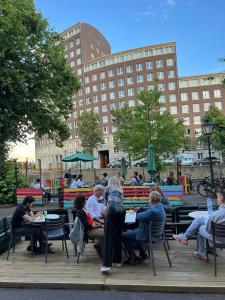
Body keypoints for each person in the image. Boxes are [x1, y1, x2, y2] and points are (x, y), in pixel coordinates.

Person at [173, 192, 225, 261]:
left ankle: (201, 252)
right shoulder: (216, 214)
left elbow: (209, 229)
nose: (217, 199)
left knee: (199, 227)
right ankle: (185, 238)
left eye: (218, 197)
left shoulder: (216, 214)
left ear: (222, 199)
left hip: (218, 239)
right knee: (201, 220)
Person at [122, 191, 166, 264]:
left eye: (149, 198)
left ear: (153, 199)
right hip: (156, 235)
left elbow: (140, 216)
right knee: (134, 231)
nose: (148, 199)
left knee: (124, 235)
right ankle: (143, 254)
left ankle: (133, 258)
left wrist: (135, 212)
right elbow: (149, 211)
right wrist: (142, 208)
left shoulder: (152, 211)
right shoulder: (160, 207)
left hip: (148, 236)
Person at [101, 176, 126, 273]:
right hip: (121, 210)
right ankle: (118, 260)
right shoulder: (120, 190)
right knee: (118, 235)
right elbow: (121, 201)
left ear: (109, 182)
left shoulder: (107, 188)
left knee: (108, 237)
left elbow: (106, 203)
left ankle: (106, 265)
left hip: (111, 209)